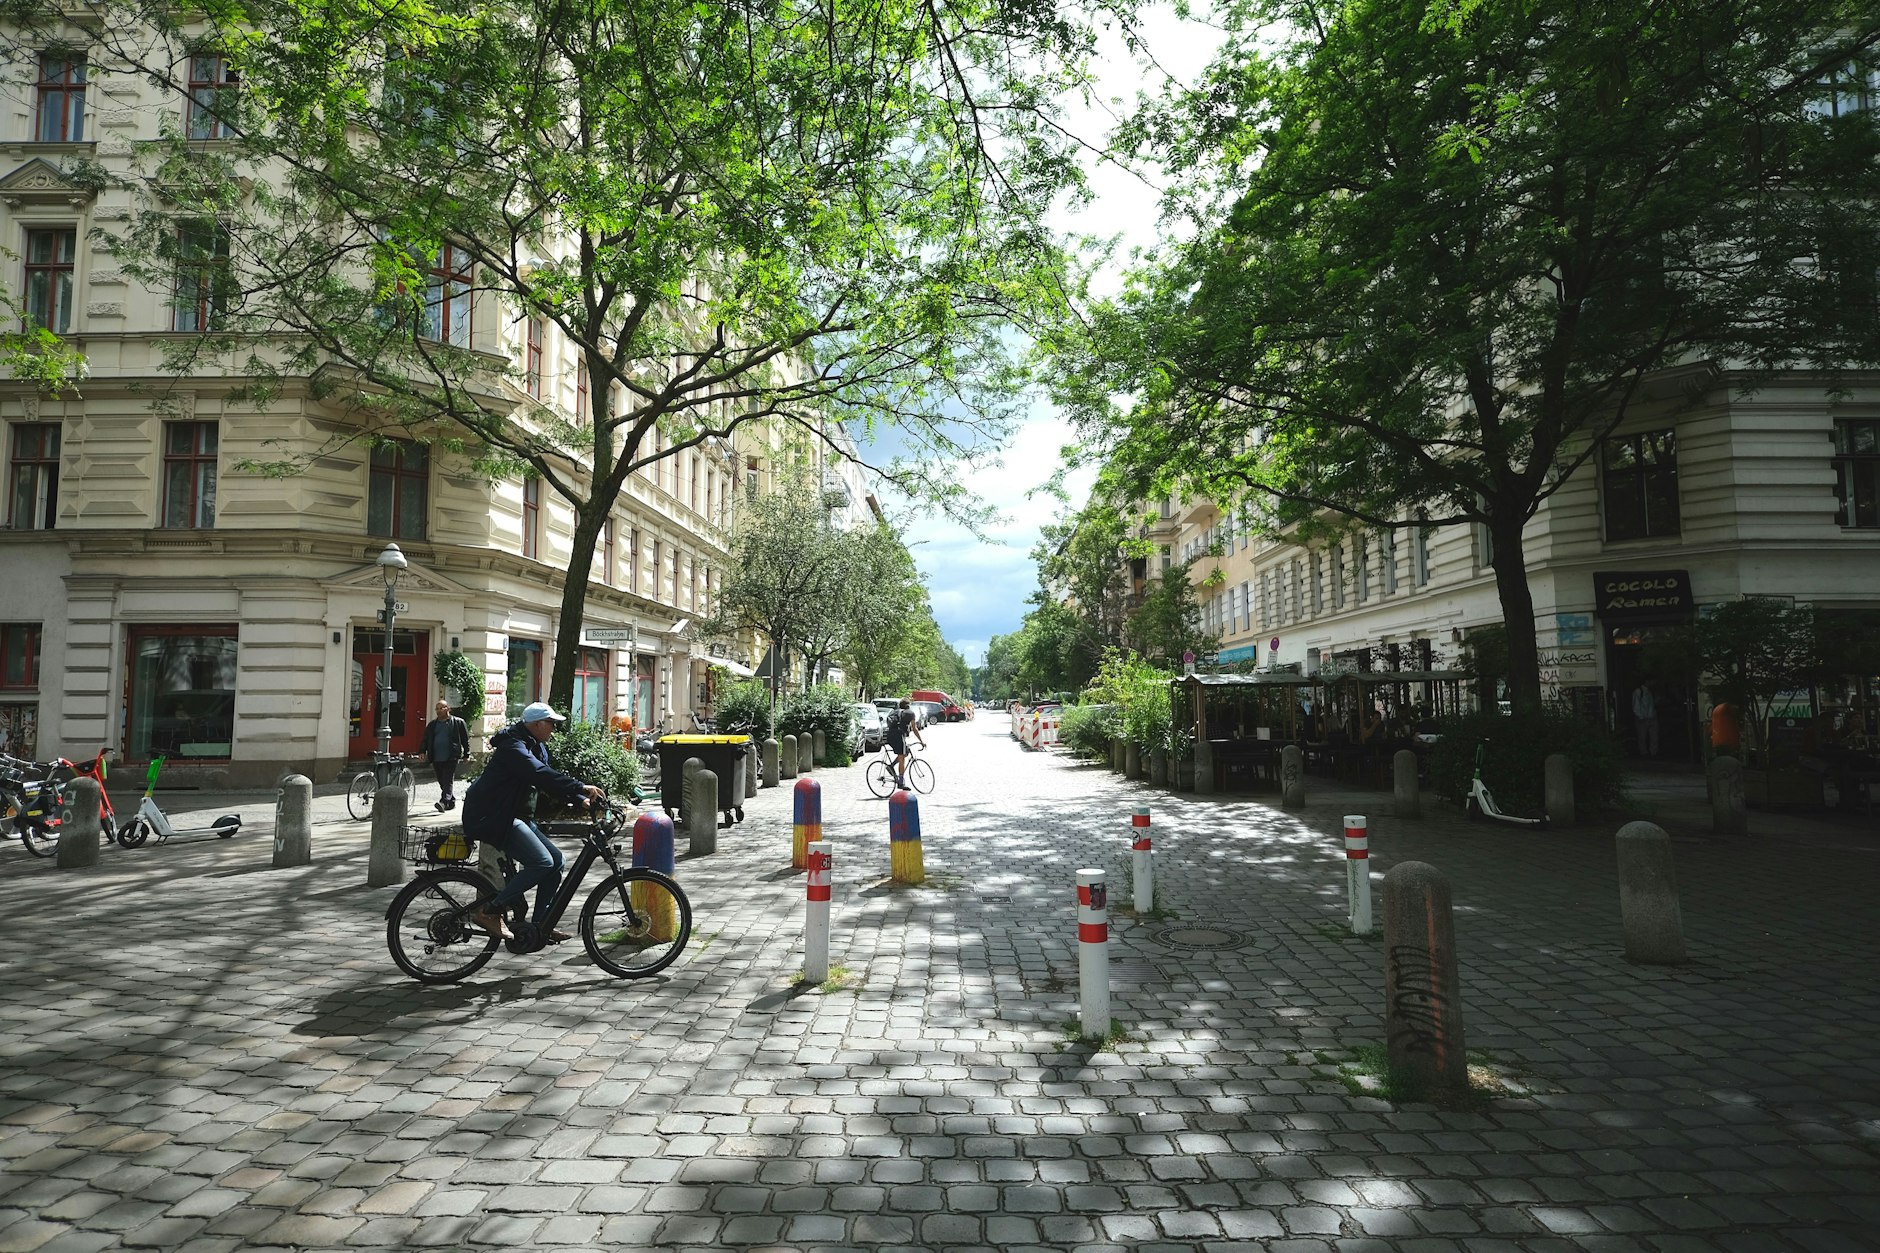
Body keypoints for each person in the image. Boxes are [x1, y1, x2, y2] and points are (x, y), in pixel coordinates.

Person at [461, 702, 604, 942]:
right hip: (492, 816)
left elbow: (547, 779)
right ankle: (490, 911)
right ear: (537, 724)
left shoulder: (533, 745)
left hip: (512, 815)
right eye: (551, 724)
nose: (553, 729)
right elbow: (537, 773)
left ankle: (541, 925)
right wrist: (580, 786)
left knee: (557, 862)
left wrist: (580, 799)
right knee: (542, 862)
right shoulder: (513, 747)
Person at [422, 699, 471, 812]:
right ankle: (451, 801)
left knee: (448, 779)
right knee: (441, 780)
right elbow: (426, 739)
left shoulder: (458, 722)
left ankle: (443, 802)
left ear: (448, 708)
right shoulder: (432, 725)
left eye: (442, 708)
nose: (439, 711)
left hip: (451, 756)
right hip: (436, 756)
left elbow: (465, 739)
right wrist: (422, 751)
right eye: (437, 709)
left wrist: (466, 754)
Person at [885, 698, 926, 789]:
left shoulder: (895, 712)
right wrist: (921, 741)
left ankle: (891, 766)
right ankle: (900, 782)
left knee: (905, 752)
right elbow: (914, 729)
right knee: (902, 758)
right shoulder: (910, 713)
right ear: (908, 706)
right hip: (899, 736)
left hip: (890, 736)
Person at [1632, 681, 1659, 757]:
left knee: (1653, 736)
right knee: (1642, 737)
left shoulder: (1650, 691)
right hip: (1643, 718)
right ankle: (1644, 752)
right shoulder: (1638, 691)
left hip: (1651, 717)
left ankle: (1653, 752)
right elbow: (1636, 706)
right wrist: (1640, 716)